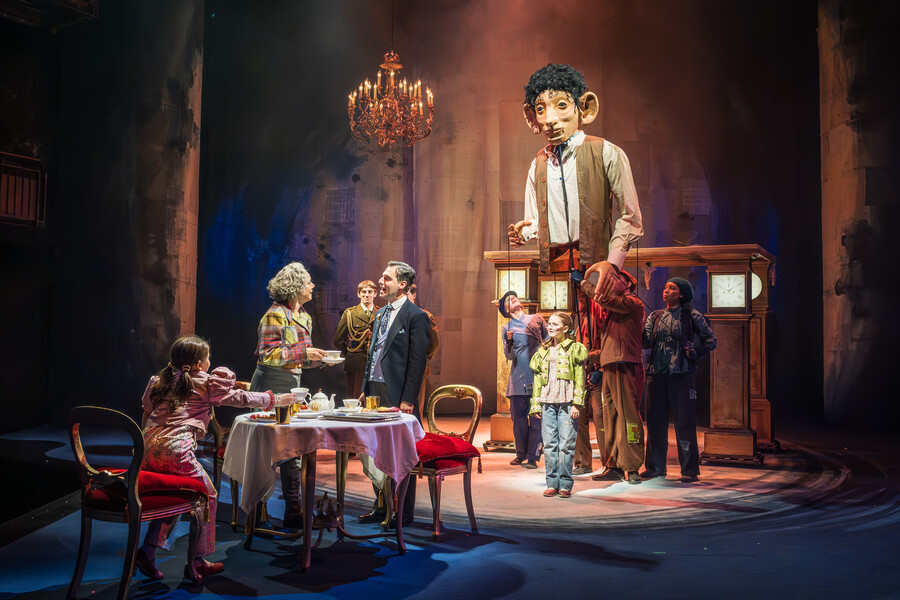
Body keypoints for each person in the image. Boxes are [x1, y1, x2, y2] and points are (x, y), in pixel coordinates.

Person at [138, 335, 295, 580]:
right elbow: (240, 398)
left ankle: (148, 550)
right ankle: (197, 561)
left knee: (176, 494)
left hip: (148, 447)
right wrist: (274, 400)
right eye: (208, 358)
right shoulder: (204, 383)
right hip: (177, 450)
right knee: (207, 496)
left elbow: (146, 415)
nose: (210, 362)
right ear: (199, 364)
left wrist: (145, 447)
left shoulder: (160, 381)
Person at [508, 63, 643, 302]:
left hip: (597, 269)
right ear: (531, 117)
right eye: (541, 109)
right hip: (555, 270)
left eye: (561, 105)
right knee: (560, 324)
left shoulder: (606, 152)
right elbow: (537, 221)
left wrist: (613, 262)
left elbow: (630, 217)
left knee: (601, 322)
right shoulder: (538, 164)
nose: (549, 119)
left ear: (584, 108)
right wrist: (524, 233)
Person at [249, 262, 327, 528]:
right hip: (270, 387)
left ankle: (293, 509)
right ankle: (260, 511)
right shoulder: (274, 315)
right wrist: (305, 353)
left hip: (291, 388)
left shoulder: (304, 317)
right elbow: (267, 355)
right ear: (295, 286)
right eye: (308, 282)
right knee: (270, 449)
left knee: (293, 448)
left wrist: (319, 359)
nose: (312, 286)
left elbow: (298, 359)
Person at [357, 261, 430, 526]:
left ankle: (401, 513)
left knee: (399, 453)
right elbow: (372, 355)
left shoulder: (415, 316)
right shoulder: (380, 314)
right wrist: (364, 388)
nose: (381, 281)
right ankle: (381, 506)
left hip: (397, 394)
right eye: (382, 276)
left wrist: (408, 399)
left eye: (387, 278)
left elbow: (417, 362)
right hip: (374, 390)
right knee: (374, 450)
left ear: (402, 284)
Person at [642, 277, 717, 483]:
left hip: (682, 374)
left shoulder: (692, 315)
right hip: (656, 373)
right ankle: (655, 467)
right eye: (665, 287)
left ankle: (689, 470)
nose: (666, 290)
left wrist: (696, 351)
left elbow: (711, 340)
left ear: (681, 294)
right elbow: (646, 342)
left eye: (672, 288)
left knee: (684, 423)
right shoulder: (655, 316)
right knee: (655, 422)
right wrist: (637, 325)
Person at [580, 267, 645, 484]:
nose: (610, 281)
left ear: (628, 284)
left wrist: (585, 284)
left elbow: (605, 300)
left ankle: (632, 466)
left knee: (628, 416)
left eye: (616, 278)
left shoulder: (632, 302)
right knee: (610, 418)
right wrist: (589, 356)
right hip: (610, 366)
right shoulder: (612, 313)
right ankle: (614, 464)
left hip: (625, 365)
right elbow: (609, 346)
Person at [529, 312, 588, 498]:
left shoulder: (574, 349)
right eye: (549, 323)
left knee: (566, 444)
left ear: (566, 328)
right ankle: (552, 482)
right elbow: (538, 379)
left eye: (555, 324)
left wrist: (577, 403)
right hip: (547, 402)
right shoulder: (543, 350)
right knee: (549, 444)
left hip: (567, 402)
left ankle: (565, 483)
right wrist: (535, 404)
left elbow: (580, 377)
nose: (550, 327)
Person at [499, 290, 547, 469]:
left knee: (536, 418)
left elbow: (548, 340)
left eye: (513, 297)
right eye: (508, 299)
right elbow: (509, 356)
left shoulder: (536, 319)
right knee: (518, 419)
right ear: (506, 310)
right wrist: (510, 341)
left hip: (537, 376)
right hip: (518, 378)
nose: (512, 298)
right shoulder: (507, 329)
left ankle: (533, 456)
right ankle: (520, 453)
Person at [334, 280, 377, 399]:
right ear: (358, 294)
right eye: (363, 292)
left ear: (375, 294)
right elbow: (338, 340)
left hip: (375, 363)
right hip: (356, 361)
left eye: (370, 292)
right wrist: (351, 354)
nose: (366, 295)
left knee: (374, 398)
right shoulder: (350, 313)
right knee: (355, 398)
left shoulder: (380, 313)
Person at [406, 283, 440, 419]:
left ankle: (416, 430)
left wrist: (423, 359)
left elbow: (434, 343)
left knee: (415, 406)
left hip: (417, 366)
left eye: (407, 295)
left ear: (414, 295)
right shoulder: (395, 316)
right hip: (398, 368)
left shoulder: (425, 315)